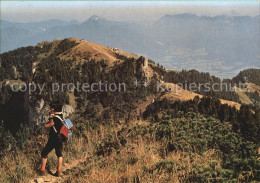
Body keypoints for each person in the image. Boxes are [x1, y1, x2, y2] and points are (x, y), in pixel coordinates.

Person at [40, 103, 64, 177]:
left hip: (53, 139)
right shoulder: (61, 116)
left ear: (54, 109)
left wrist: (47, 121)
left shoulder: (55, 118)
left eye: (51, 107)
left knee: (44, 153)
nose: (50, 109)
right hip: (60, 139)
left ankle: (42, 171)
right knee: (59, 154)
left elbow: (47, 126)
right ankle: (58, 171)